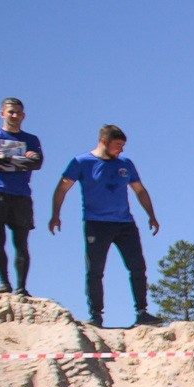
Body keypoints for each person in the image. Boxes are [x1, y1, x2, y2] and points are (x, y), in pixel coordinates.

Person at [49, 125, 161, 328]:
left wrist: (151, 215)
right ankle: (96, 315)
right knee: (96, 270)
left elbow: (140, 190)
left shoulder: (125, 164)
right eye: (118, 145)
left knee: (137, 266)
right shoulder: (82, 162)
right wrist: (56, 214)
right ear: (104, 141)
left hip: (125, 223)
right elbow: (63, 187)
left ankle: (142, 312)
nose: (122, 150)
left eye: (123, 145)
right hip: (97, 223)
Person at [0, 97, 43, 295]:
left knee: (21, 242)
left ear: (23, 115)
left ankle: (22, 287)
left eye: (18, 112)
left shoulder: (31, 139)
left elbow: (37, 164)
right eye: (11, 112)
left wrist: (3, 158)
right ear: (2, 113)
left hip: (20, 194)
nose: (14, 115)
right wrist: (21, 160)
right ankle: (4, 282)